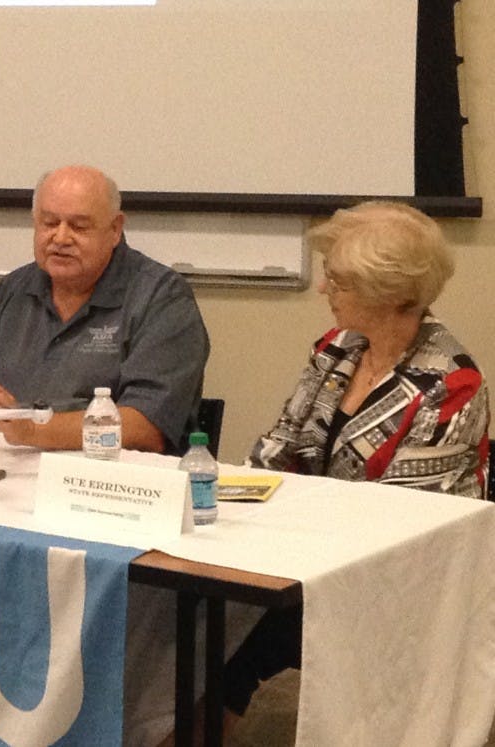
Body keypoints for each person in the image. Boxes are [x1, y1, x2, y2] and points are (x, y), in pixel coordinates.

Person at [222, 200, 490, 738]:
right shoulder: (336, 349)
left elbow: (400, 526)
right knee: (202, 616)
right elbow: (276, 451)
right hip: (310, 559)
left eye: (338, 281)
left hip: (398, 590)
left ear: (387, 292)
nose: (323, 289)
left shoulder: (450, 384)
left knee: (235, 633)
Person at [0, 165, 210, 454]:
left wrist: (33, 430)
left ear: (115, 229)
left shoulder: (161, 298)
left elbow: (145, 426)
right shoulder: (15, 290)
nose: (60, 238)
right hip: (13, 473)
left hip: (112, 486)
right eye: (49, 223)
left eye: (78, 226)